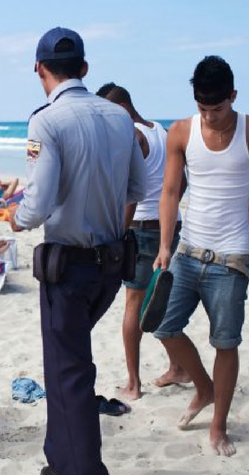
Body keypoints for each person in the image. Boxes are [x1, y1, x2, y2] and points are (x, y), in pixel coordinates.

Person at [9, 27, 146, 475]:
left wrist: (16, 218)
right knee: (67, 364)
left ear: (40, 69)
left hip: (68, 265)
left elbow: (38, 202)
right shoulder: (117, 115)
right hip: (111, 264)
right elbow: (138, 185)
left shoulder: (46, 120)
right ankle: (62, 461)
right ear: (84, 69)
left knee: (69, 374)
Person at [153, 55, 249, 456]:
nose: (209, 116)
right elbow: (171, 192)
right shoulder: (180, 131)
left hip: (231, 258)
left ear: (233, 96)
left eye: (218, 107)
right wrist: (164, 245)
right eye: (202, 107)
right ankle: (204, 388)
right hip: (188, 251)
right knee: (163, 326)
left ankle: (218, 426)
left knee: (225, 343)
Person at [95, 82, 190, 399]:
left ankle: (133, 384)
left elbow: (130, 194)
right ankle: (178, 367)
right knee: (158, 300)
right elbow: (182, 181)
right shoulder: (161, 131)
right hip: (169, 226)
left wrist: (119, 235)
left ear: (120, 109)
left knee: (134, 304)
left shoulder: (131, 135)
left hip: (141, 228)